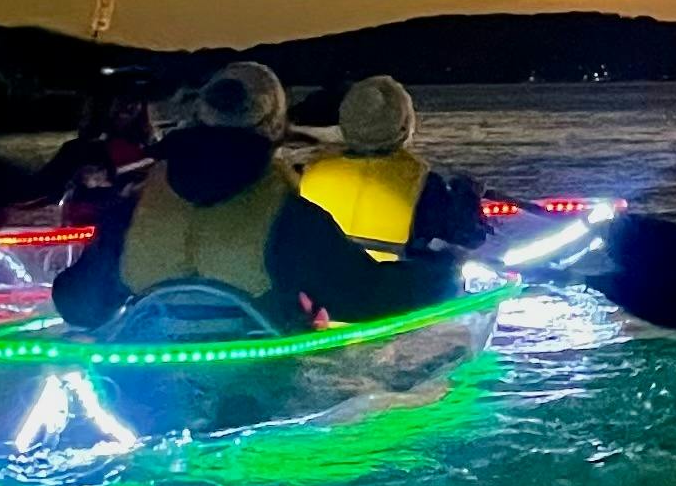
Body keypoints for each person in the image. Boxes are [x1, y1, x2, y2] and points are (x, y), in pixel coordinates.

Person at [52, 62, 299, 326]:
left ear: (201, 113)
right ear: (275, 123)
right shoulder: (285, 205)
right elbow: (347, 296)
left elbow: (79, 305)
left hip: (154, 353)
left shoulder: (140, 200)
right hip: (258, 356)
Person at [278, 75, 489, 319]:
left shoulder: (308, 174)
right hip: (389, 302)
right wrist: (468, 198)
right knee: (450, 266)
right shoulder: (424, 184)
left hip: (322, 299)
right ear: (404, 126)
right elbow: (470, 236)